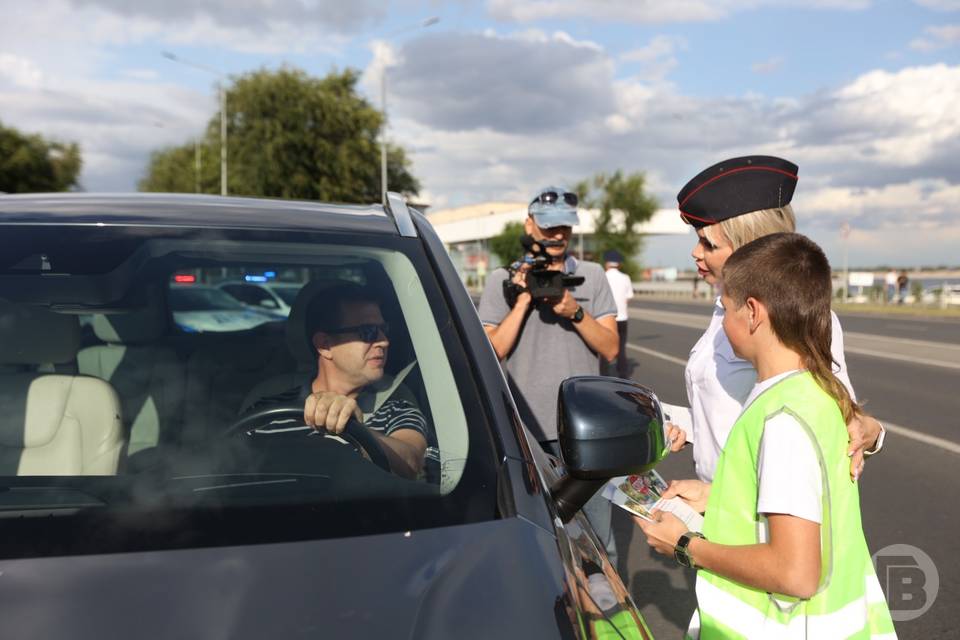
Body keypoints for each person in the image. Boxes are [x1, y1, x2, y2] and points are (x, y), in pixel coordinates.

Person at [637, 232, 896, 639]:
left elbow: (795, 574)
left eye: (726, 309)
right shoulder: (816, 392)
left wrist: (686, 545)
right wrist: (717, 498)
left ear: (753, 313)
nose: (723, 322)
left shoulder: (781, 420)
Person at [661, 155, 884, 483]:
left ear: (748, 250)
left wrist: (870, 431)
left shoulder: (795, 317)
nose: (696, 253)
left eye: (708, 243)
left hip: (760, 516)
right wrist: (669, 421)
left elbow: (832, 420)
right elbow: (733, 415)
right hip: (718, 507)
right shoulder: (726, 310)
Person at [478, 185, 620, 563]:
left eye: (565, 228)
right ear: (530, 225)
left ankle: (605, 610)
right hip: (525, 430)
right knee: (535, 537)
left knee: (597, 543)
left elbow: (610, 347)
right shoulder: (501, 281)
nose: (558, 236)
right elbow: (494, 348)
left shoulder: (592, 276)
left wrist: (573, 311)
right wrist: (524, 299)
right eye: (549, 227)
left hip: (584, 429)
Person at [244, 283, 428, 479]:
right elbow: (232, 470)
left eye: (384, 329)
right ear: (325, 345)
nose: (384, 341)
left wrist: (354, 430)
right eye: (368, 332)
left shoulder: (398, 409)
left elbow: (411, 461)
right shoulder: (268, 410)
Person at [602, 249, 634, 379]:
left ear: (606, 263)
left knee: (603, 348)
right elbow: (629, 296)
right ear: (619, 263)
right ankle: (623, 375)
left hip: (605, 317)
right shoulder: (625, 277)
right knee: (621, 348)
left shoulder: (602, 276)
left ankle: (603, 375)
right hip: (622, 317)